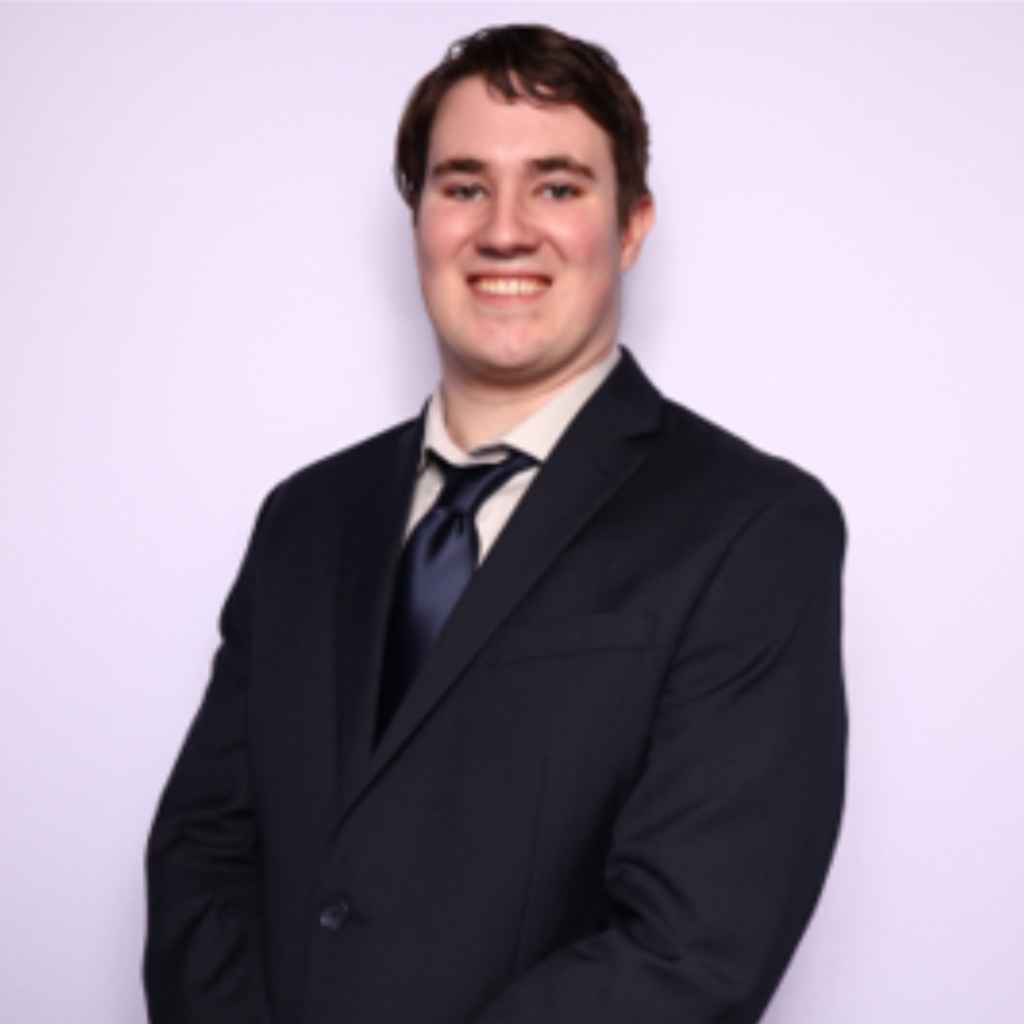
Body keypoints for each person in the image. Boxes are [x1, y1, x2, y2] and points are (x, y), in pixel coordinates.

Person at [144, 24, 847, 1024]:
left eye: (558, 187)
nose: (504, 230)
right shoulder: (303, 518)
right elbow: (202, 852)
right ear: (420, 219)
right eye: (463, 185)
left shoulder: (751, 528)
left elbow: (694, 944)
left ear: (632, 224)